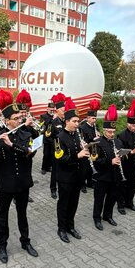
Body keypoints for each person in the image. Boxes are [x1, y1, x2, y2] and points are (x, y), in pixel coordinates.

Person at [0, 90, 38, 264]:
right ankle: (2, 245)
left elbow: (29, 154)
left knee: (22, 214)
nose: (20, 120)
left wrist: (12, 144)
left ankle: (25, 241)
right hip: (5, 183)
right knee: (2, 215)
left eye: (20, 117)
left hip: (23, 182)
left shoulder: (26, 134)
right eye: (16, 118)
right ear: (7, 120)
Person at [55, 98, 90, 243]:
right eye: (74, 121)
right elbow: (60, 158)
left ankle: (70, 226)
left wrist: (85, 148)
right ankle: (61, 228)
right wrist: (78, 155)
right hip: (64, 177)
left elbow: (80, 151)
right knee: (64, 203)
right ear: (67, 121)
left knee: (74, 202)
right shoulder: (59, 137)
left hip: (77, 176)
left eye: (78, 121)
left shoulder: (77, 134)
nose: (77, 124)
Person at [93, 104, 124, 231]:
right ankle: (97, 218)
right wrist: (109, 161)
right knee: (99, 199)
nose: (112, 134)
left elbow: (121, 154)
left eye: (113, 132)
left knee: (112, 198)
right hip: (102, 176)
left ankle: (107, 215)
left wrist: (122, 156)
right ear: (104, 131)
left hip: (115, 176)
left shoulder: (117, 142)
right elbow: (95, 160)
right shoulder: (97, 142)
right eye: (109, 132)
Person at [117, 99, 135, 214]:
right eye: (133, 125)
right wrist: (133, 151)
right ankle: (121, 205)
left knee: (132, 185)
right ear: (128, 124)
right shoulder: (121, 136)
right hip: (125, 165)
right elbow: (120, 152)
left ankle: (130, 202)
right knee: (123, 186)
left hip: (134, 165)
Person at [48, 93, 67, 199]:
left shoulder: (66, 122)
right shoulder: (53, 122)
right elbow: (48, 137)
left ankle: (61, 187)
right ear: (57, 111)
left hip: (64, 151)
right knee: (55, 171)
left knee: (62, 170)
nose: (65, 112)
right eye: (63, 111)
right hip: (56, 150)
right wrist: (56, 146)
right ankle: (53, 189)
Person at [80, 99, 101, 190]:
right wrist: (93, 139)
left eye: (95, 118)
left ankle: (90, 182)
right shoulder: (83, 127)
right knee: (84, 168)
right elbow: (83, 140)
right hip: (86, 149)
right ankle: (82, 184)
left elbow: (98, 135)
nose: (94, 120)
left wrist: (99, 136)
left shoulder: (96, 126)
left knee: (91, 167)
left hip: (94, 149)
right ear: (88, 118)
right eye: (93, 118)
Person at [40, 102, 55, 175]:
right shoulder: (43, 116)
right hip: (46, 138)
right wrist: (52, 119)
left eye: (53, 110)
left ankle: (49, 167)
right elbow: (42, 125)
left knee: (51, 154)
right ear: (47, 109)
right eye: (50, 109)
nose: (52, 111)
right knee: (46, 154)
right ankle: (43, 168)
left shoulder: (55, 116)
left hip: (52, 138)